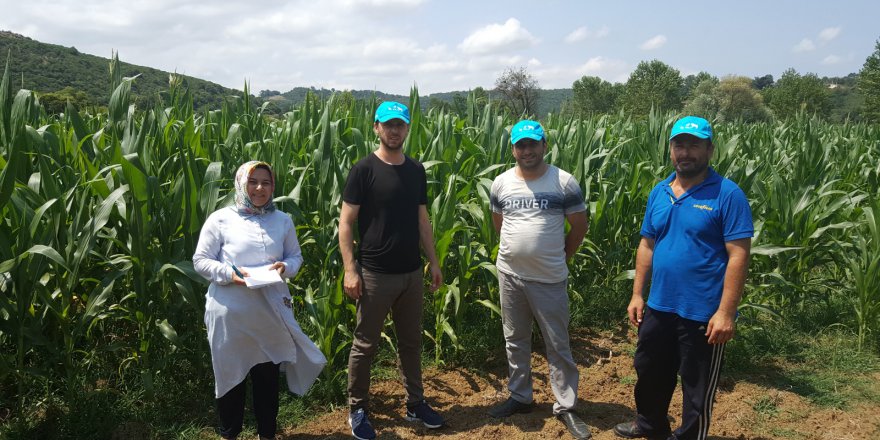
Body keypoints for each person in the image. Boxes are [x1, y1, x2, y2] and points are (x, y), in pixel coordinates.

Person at [614, 116, 753, 440]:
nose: (685, 152)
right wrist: (637, 294)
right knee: (649, 371)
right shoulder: (659, 192)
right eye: (680, 145)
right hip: (660, 305)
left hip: (703, 311)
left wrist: (726, 312)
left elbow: (738, 255)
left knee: (697, 385)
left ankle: (691, 435)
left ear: (709, 150)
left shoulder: (727, 194)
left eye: (694, 145)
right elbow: (647, 244)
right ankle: (649, 425)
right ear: (671, 149)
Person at [193, 161, 327, 440]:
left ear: (273, 187)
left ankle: (267, 434)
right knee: (231, 378)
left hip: (269, 311)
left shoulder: (282, 220)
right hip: (231, 315)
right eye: (253, 181)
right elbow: (201, 261)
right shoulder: (220, 219)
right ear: (241, 183)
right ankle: (229, 434)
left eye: (266, 183)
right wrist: (230, 274)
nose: (259, 188)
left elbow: (295, 258)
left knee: (267, 379)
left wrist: (284, 268)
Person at [339, 101, 444, 440]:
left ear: (407, 128)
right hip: (374, 274)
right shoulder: (364, 169)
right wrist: (350, 270)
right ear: (376, 128)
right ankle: (358, 409)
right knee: (365, 345)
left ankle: (415, 403)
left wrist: (434, 261)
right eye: (388, 124)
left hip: (411, 274)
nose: (394, 130)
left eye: (400, 124)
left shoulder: (415, 170)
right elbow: (346, 223)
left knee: (411, 342)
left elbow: (422, 220)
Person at [487, 120, 591, 440]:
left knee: (557, 344)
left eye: (533, 144)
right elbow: (499, 223)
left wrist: (561, 256)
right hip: (510, 275)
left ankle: (566, 406)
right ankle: (521, 396)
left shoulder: (564, 182)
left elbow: (579, 226)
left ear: (544, 145)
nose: (527, 150)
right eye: (521, 145)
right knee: (515, 338)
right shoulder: (501, 183)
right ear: (514, 149)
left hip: (548, 279)